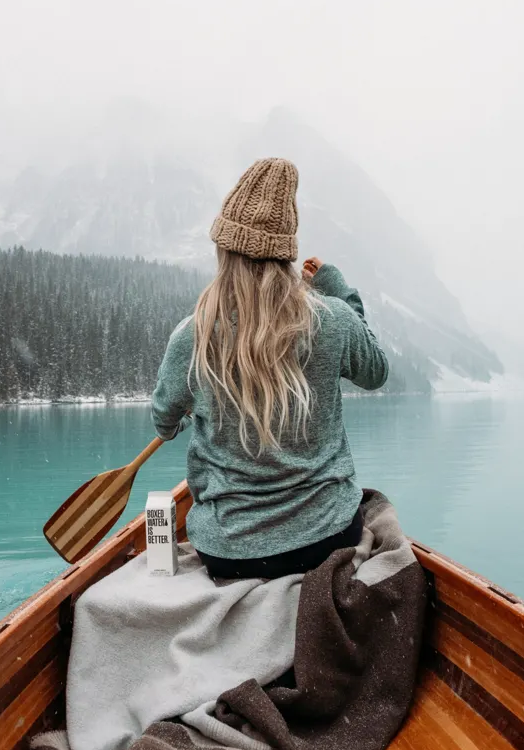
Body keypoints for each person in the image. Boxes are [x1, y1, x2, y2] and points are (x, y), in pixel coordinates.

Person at [151, 158, 389, 580]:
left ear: (224, 251)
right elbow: (376, 372)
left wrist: (182, 418)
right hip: (328, 538)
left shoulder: (192, 336)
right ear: (284, 257)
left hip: (229, 552)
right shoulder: (332, 319)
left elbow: (163, 421)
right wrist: (340, 293)